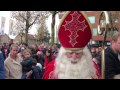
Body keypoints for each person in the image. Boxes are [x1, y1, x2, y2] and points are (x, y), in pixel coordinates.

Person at [42, 11, 101, 79]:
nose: (74, 56)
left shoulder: (93, 67)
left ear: (84, 53)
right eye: (70, 53)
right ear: (63, 53)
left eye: (78, 53)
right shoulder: (52, 67)